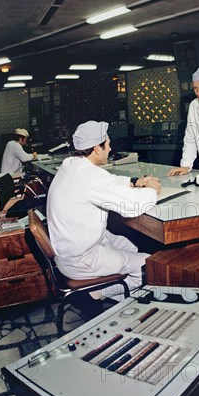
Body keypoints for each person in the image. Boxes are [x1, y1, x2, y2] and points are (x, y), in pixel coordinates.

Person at [46, 120, 161, 302]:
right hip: (82, 259)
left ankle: (115, 286)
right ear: (97, 149)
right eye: (107, 144)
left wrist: (134, 181)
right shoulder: (90, 176)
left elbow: (107, 181)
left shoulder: (70, 165)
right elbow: (132, 206)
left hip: (72, 250)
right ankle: (99, 293)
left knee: (130, 245)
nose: (109, 149)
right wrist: (152, 189)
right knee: (150, 265)